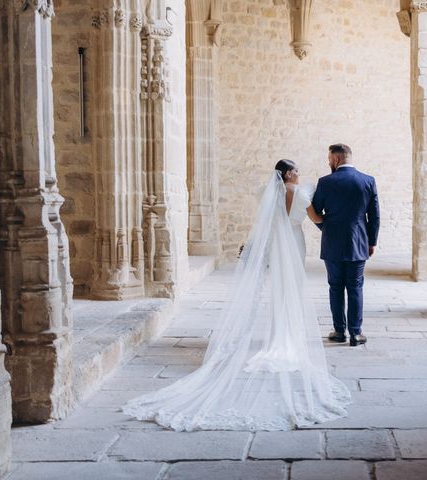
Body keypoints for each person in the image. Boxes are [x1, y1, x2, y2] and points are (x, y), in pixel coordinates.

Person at [122, 160, 350, 431]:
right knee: (292, 290)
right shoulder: (302, 194)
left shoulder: (266, 192)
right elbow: (317, 218)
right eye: (297, 171)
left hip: (276, 247)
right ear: (288, 173)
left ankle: (280, 337)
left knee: (279, 289)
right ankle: (288, 337)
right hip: (294, 243)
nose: (300, 175)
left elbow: (266, 218)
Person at [312, 144, 380, 347]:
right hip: (359, 242)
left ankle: (339, 331)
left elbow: (315, 212)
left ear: (335, 159)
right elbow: (374, 216)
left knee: (335, 287)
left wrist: (327, 227)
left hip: (332, 242)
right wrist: (371, 241)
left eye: (329, 158)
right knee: (355, 286)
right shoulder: (368, 181)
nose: (328, 162)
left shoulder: (325, 182)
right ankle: (356, 333)